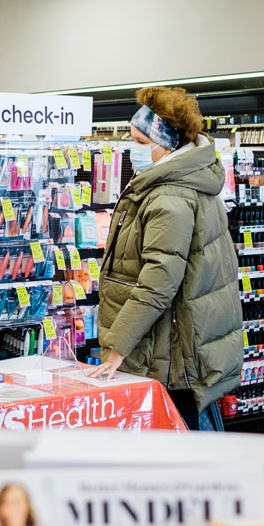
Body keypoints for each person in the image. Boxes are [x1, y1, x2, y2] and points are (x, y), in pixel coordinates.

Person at [90, 87, 243, 430]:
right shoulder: (183, 183)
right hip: (179, 345)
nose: (134, 150)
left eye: (142, 143)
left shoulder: (169, 197)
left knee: (176, 450)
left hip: (168, 351)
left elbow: (158, 283)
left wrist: (117, 349)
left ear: (168, 144)